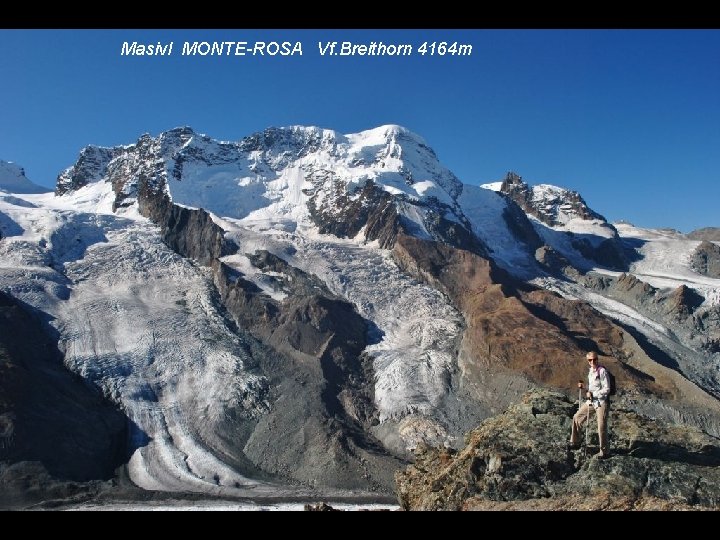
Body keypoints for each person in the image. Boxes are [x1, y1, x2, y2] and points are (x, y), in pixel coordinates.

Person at [569, 351, 611, 458]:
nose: (593, 361)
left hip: (601, 402)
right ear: (588, 361)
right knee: (577, 417)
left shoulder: (602, 371)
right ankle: (575, 442)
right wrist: (584, 387)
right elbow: (592, 387)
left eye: (594, 359)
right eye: (590, 360)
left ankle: (604, 452)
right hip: (591, 401)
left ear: (597, 359)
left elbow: (607, 388)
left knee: (601, 426)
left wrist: (593, 394)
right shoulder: (591, 371)